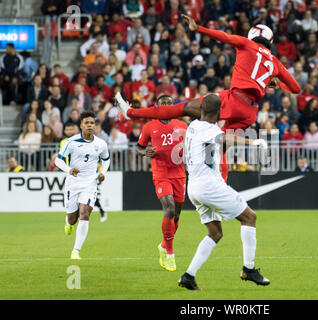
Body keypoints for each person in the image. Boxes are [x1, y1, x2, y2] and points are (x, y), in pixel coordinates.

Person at [116, 15, 300, 133]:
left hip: (234, 100)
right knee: (223, 147)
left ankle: (131, 112)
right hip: (250, 112)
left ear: (253, 35)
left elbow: (224, 36)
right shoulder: (275, 62)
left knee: (183, 108)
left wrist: (199, 29)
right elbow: (295, 88)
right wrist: (274, 83)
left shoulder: (247, 44)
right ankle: (220, 185)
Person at [178, 94, 270, 290]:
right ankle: (249, 269)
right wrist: (252, 143)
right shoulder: (211, 130)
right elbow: (225, 137)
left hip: (193, 187)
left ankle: (188, 276)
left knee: (215, 233)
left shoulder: (192, 126)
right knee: (249, 217)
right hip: (210, 186)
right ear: (219, 112)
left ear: (201, 109)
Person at [136, 95, 188, 271]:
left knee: (177, 216)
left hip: (179, 174)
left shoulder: (182, 126)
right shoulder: (149, 126)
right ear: (156, 106)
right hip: (161, 173)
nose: (166, 105)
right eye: (162, 103)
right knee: (169, 209)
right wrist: (146, 152)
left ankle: (164, 245)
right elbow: (139, 147)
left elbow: (188, 147)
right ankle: (170, 254)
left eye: (169, 103)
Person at [55, 111, 110, 259]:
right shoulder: (71, 142)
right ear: (81, 125)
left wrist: (103, 172)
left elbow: (106, 159)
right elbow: (58, 161)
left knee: (85, 213)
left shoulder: (101, 144)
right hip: (73, 183)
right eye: (87, 123)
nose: (90, 126)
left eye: (92, 123)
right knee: (72, 218)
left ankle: (76, 251)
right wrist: (69, 169)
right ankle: (68, 223)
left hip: (90, 183)